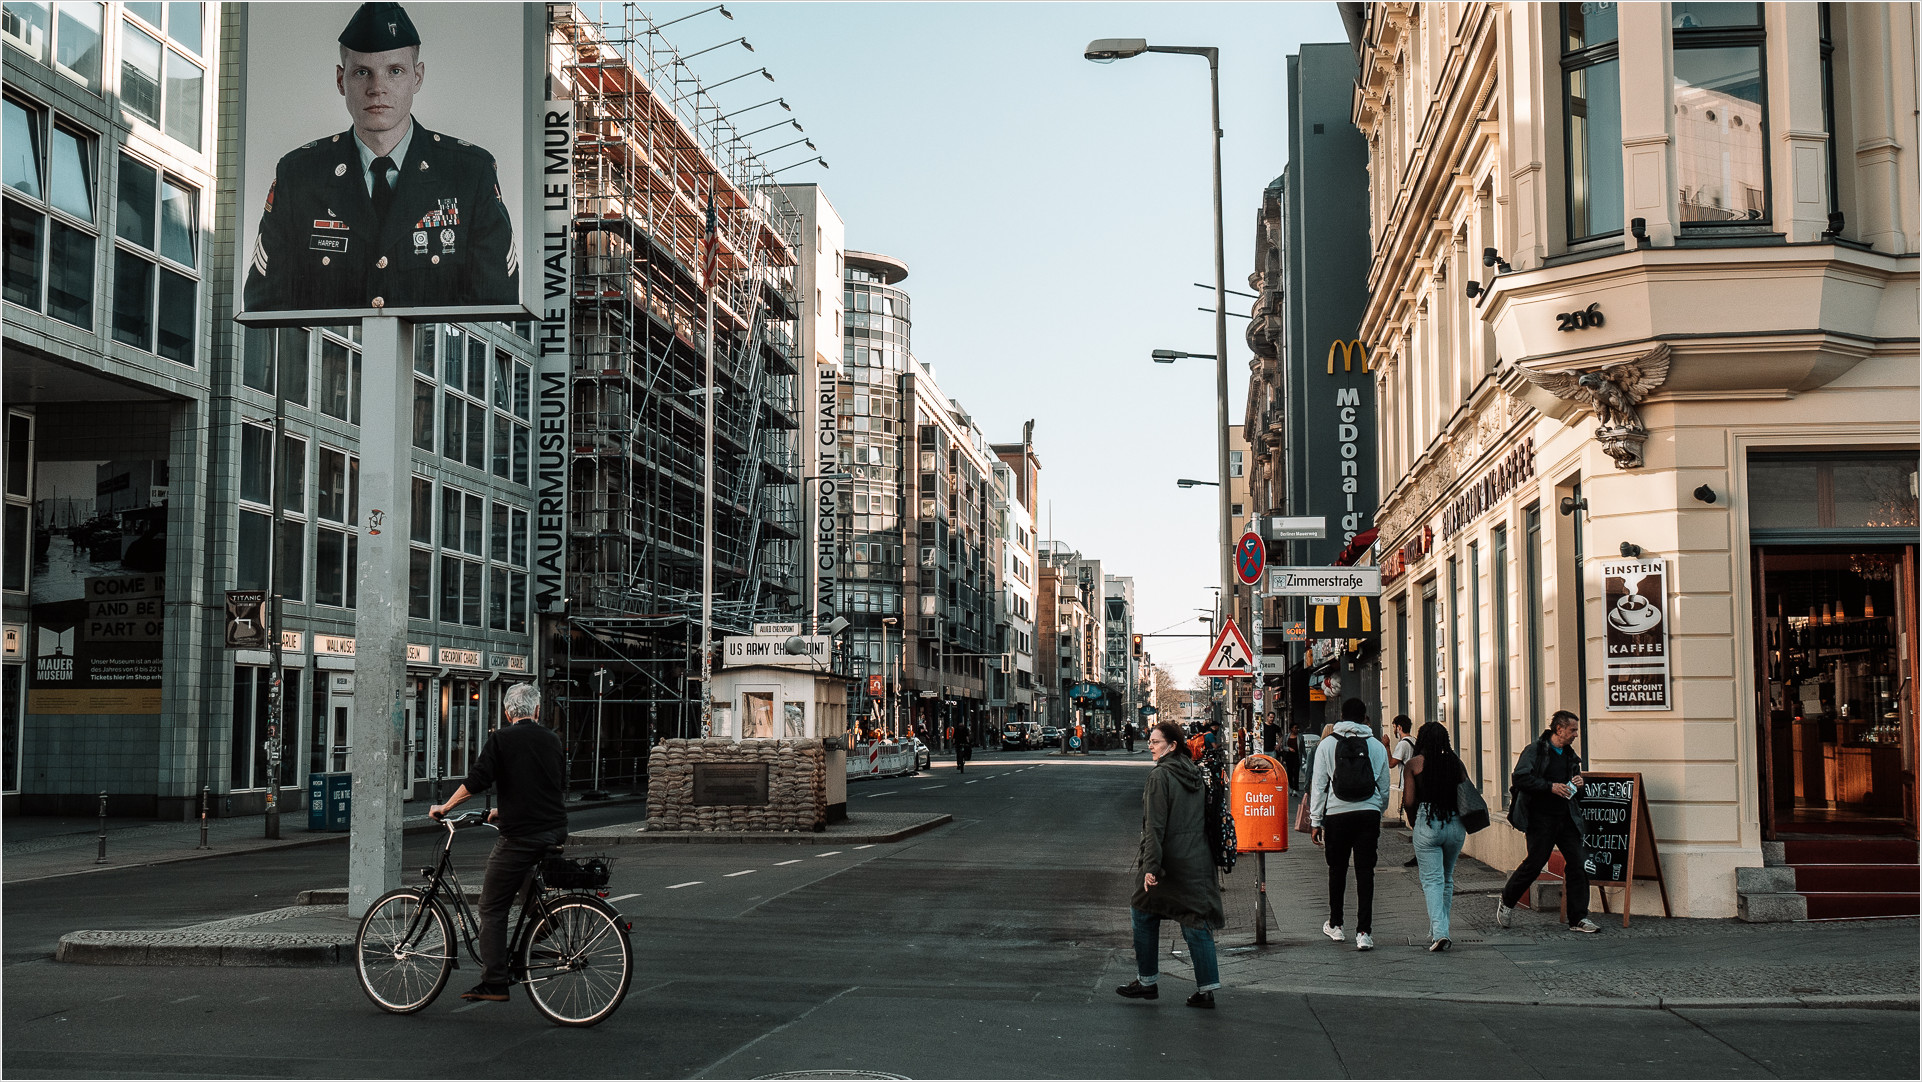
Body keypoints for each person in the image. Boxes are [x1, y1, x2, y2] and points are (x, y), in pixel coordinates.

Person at [242, 1, 518, 313]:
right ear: (340, 80)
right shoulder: (301, 176)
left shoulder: (469, 174)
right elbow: (265, 307)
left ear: (417, 77)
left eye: (394, 71)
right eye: (362, 72)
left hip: (429, 363)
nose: (377, 88)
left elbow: (496, 307)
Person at [428, 682, 566, 1002]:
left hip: (521, 835)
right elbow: (547, 787)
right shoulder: (552, 740)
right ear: (536, 710)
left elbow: (477, 780)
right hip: (554, 829)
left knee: (490, 906)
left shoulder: (502, 739)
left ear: (506, 713)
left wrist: (446, 807)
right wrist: (500, 811)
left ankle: (494, 980)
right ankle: (544, 918)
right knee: (522, 877)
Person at [1116, 721, 1225, 1009]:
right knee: (1195, 919)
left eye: (1155, 741)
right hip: (1198, 858)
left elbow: (1154, 827)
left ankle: (1148, 981)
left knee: (1142, 910)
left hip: (1170, 860)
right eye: (1150, 741)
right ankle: (1206, 989)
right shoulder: (1194, 773)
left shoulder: (1160, 776)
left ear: (1172, 745)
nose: (1149, 746)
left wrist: (1151, 867)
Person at [1498, 709, 1599, 933]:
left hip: (1566, 817)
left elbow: (1573, 787)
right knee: (1535, 863)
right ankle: (1507, 900)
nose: (1576, 734)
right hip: (1540, 817)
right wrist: (1550, 786)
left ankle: (1578, 918)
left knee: (1578, 863)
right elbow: (1520, 778)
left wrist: (1577, 783)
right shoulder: (1535, 750)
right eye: (1572, 730)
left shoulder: (1571, 755)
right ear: (1559, 729)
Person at [1309, 698, 1390, 951]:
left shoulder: (1327, 744)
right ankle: (1364, 932)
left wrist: (1315, 821)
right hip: (1368, 814)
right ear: (1365, 718)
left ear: (1341, 717)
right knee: (1365, 872)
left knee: (1337, 870)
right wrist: (1378, 807)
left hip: (1337, 814)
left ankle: (1336, 925)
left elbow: (1319, 785)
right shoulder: (1376, 746)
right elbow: (1385, 786)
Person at [1401, 721, 1466, 951]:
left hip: (1428, 822)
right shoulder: (1456, 763)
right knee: (1446, 878)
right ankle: (1440, 928)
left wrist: (1413, 821)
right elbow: (1465, 793)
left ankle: (1440, 933)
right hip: (1455, 824)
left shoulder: (1414, 765)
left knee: (1432, 881)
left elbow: (1409, 801)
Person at [1388, 715, 1418, 867]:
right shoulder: (1414, 741)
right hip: (1417, 785)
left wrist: (1386, 746)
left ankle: (1419, 854)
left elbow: (1391, 763)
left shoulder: (1402, 744)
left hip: (1409, 786)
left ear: (1399, 727)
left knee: (1414, 822)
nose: (1394, 730)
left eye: (1394, 727)